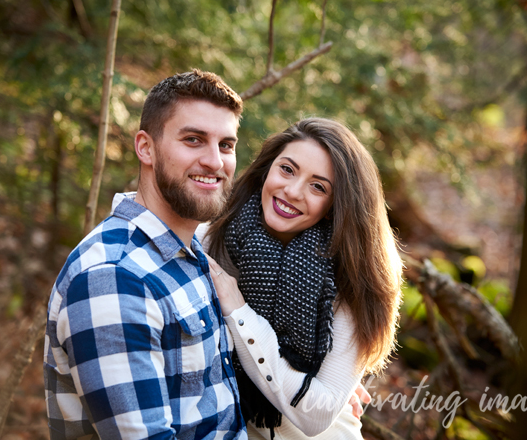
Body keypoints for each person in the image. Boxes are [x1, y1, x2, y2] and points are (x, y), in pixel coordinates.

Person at [43, 69, 248, 439]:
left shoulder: (186, 250)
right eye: (193, 140)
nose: (215, 162)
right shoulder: (114, 279)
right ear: (145, 147)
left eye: (226, 145)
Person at [203, 118, 404, 439]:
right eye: (287, 169)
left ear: (334, 206)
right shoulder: (214, 239)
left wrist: (240, 314)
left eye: (318, 186)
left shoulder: (351, 281)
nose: (292, 191)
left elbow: (319, 414)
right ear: (268, 168)